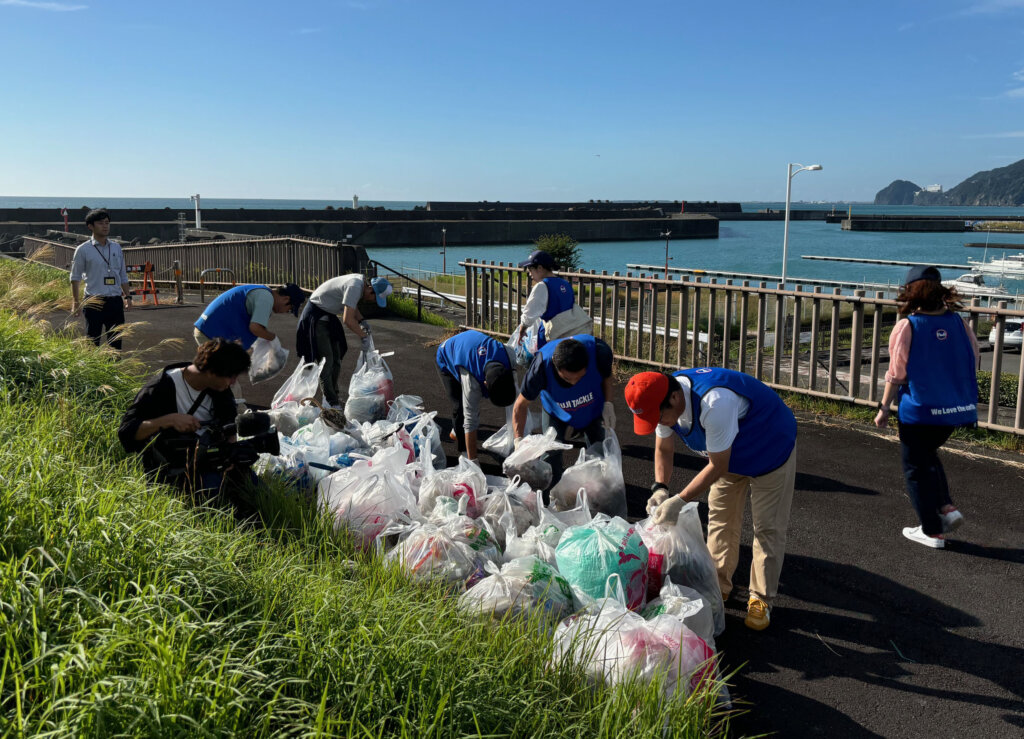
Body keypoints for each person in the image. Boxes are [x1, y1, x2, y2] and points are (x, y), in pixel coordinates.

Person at [625, 367, 798, 632]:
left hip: (770, 449)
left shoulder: (714, 402)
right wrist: (660, 488)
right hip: (730, 456)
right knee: (720, 519)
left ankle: (761, 598)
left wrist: (679, 500)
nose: (660, 423)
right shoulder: (660, 397)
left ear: (673, 399)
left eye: (659, 417)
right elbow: (664, 448)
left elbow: (717, 465)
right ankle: (717, 586)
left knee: (767, 527)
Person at [874, 265, 978, 550]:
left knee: (914, 469)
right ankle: (946, 507)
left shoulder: (908, 325)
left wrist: (883, 408)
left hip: (919, 412)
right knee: (927, 456)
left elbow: (896, 374)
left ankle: (932, 532)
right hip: (955, 410)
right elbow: (974, 357)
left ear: (911, 293)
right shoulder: (958, 322)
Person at [117, 339, 255, 508]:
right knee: (213, 494)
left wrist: (231, 453)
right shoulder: (161, 387)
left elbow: (229, 426)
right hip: (175, 465)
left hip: (212, 459)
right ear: (212, 371)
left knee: (254, 488)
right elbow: (126, 433)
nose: (233, 382)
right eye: (231, 375)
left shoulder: (221, 392)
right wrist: (169, 420)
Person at [512, 335, 615, 491]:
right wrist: (518, 440)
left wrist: (608, 404)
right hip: (555, 410)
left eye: (579, 377)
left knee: (599, 455)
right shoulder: (540, 366)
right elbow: (520, 404)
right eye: (568, 378)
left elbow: (607, 377)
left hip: (592, 408)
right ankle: (548, 501)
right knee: (550, 456)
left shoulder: (599, 352)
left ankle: (595, 498)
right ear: (556, 367)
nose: (574, 383)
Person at [296, 274, 393, 408]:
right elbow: (347, 319)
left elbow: (352, 307)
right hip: (316, 317)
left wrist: (362, 321)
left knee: (337, 357)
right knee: (327, 360)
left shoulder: (360, 284)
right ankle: (331, 401)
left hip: (328, 316)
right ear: (370, 289)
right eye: (374, 298)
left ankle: (333, 396)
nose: (373, 301)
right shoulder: (355, 286)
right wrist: (363, 336)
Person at [435, 329, 517, 460]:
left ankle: (457, 431)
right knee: (460, 408)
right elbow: (470, 421)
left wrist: (518, 445)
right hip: (446, 355)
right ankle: (463, 452)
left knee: (465, 414)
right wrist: (473, 462)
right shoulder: (472, 382)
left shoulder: (510, 356)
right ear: (484, 384)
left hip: (469, 347)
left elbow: (517, 404)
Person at [69, 208, 131, 349]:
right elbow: (75, 277)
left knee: (116, 342)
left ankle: (114, 369)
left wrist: (128, 296)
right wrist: (76, 301)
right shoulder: (83, 249)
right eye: (101, 223)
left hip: (115, 300)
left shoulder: (116, 248)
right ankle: (93, 370)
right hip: (93, 301)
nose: (105, 226)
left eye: (107, 223)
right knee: (92, 340)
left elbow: (122, 274)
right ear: (90, 226)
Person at [511, 250, 592, 350]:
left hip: (558, 336)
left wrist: (522, 330)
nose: (529, 274)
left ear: (540, 268)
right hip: (577, 332)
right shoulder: (565, 283)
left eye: (530, 269)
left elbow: (529, 314)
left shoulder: (542, 286)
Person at [193, 283, 306, 348]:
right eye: (290, 309)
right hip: (211, 334)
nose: (286, 312)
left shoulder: (262, 292)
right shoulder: (266, 298)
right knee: (221, 381)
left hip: (209, 330)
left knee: (221, 377)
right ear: (286, 299)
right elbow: (255, 328)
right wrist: (274, 338)